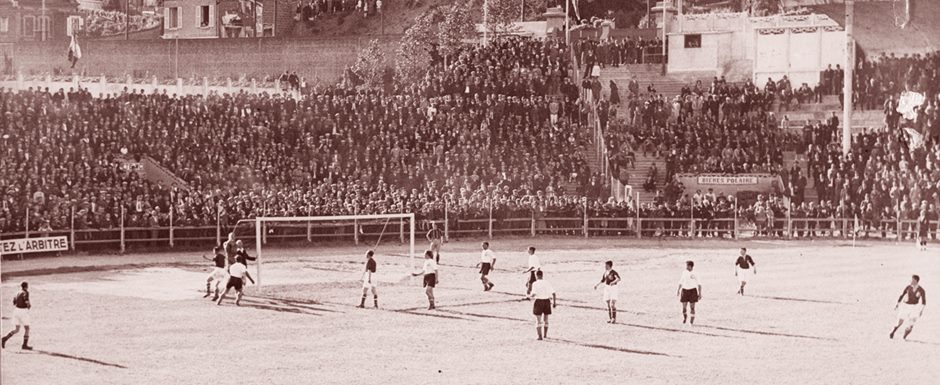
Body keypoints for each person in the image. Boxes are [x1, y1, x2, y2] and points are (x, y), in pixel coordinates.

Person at [891, 275, 926, 340]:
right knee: (900, 321)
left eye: (912, 280)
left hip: (914, 307)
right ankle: (893, 332)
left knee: (911, 324)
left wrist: (921, 310)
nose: (910, 281)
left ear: (915, 280)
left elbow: (924, 302)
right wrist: (897, 304)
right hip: (906, 306)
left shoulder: (921, 290)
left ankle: (904, 336)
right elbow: (902, 295)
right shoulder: (908, 287)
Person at [2, 282, 33, 350]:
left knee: (17, 329)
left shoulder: (17, 292)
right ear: (26, 287)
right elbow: (26, 300)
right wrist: (28, 306)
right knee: (27, 328)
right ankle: (24, 345)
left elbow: (14, 302)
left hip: (16, 311)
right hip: (23, 311)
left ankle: (4, 338)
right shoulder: (25, 292)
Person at [531, 270, 556, 340]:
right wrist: (554, 303)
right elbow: (553, 293)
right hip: (547, 301)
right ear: (542, 275)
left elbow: (533, 294)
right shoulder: (547, 283)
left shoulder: (535, 284)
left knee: (538, 320)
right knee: (546, 319)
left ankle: (539, 336)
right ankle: (545, 335)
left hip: (539, 301)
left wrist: (530, 296)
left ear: (536, 275)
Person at [677, 260, 702, 325]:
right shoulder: (684, 272)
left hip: (693, 291)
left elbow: (699, 284)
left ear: (690, 266)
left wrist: (700, 293)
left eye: (687, 265)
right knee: (684, 307)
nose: (686, 267)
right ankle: (685, 317)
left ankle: (691, 322)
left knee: (692, 307)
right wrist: (678, 290)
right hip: (684, 291)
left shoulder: (695, 273)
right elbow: (680, 281)